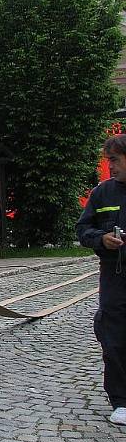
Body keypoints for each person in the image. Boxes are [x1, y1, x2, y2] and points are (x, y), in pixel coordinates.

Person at [77, 133, 126, 425]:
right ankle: (120, 400)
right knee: (114, 335)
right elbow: (83, 230)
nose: (111, 167)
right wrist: (101, 238)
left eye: (115, 161)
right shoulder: (102, 194)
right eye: (109, 161)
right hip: (114, 275)